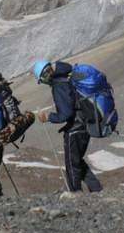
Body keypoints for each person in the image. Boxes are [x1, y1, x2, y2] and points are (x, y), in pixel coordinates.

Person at [33, 60, 102, 193]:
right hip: (85, 124)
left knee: (71, 164)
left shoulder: (58, 85)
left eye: (42, 80)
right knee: (77, 161)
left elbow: (66, 113)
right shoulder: (67, 76)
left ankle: (75, 193)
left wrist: (48, 117)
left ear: (44, 76)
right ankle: (96, 188)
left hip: (75, 128)